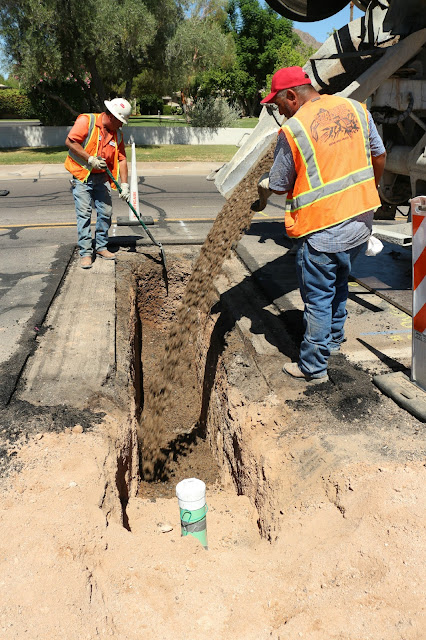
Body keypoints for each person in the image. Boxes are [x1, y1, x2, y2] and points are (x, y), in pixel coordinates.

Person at [256, 66, 386, 382]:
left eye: (277, 105)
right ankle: (334, 341)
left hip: (324, 231)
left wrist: (264, 184)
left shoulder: (295, 129)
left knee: (317, 299)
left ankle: (313, 366)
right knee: (340, 285)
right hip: (360, 225)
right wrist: (370, 191)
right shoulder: (355, 109)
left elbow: (280, 183)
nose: (279, 112)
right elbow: (379, 156)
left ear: (291, 96)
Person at [65, 98, 132, 269]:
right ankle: (86, 252)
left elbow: (122, 159)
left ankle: (101, 246)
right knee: (84, 215)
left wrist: (124, 185)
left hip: (102, 178)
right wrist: (90, 159)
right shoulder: (87, 121)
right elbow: (70, 142)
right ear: (111, 116)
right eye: (120, 121)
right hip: (82, 176)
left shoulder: (117, 134)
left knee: (105, 212)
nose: (122, 125)